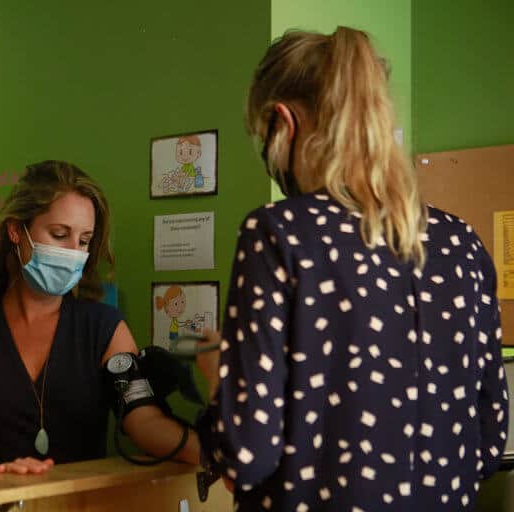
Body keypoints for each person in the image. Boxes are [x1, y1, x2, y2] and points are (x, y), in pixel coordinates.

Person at [195, 27, 509, 510]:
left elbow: (248, 456)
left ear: (283, 123)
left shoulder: (279, 234)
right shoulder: (461, 243)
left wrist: (218, 373)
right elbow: (489, 442)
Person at [0, 160, 199, 479]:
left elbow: (143, 420)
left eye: (83, 241)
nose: (73, 252)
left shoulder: (104, 328)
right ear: (16, 231)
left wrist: (215, 451)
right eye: (59, 234)